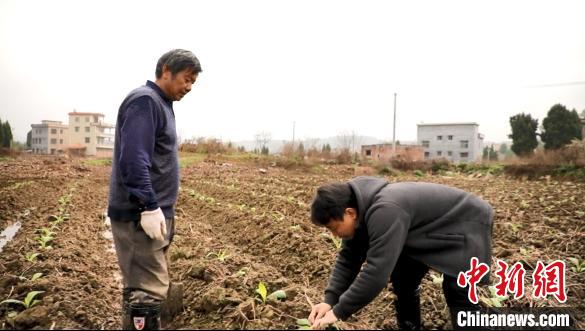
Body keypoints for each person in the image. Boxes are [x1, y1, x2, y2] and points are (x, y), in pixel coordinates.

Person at [308, 176, 493, 330]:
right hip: (423, 231)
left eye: (333, 228)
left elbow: (376, 272)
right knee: (403, 281)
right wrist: (329, 301)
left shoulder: (385, 210)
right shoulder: (359, 209)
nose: (334, 234)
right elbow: (349, 259)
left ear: (349, 213)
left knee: (457, 290)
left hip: (467, 223)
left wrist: (339, 312)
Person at [107, 49, 201, 330]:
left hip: (155, 212)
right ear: (166, 71)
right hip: (139, 215)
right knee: (148, 292)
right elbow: (134, 159)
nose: (189, 87)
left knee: (142, 288)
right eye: (186, 79)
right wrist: (148, 206)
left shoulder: (160, 104)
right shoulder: (145, 101)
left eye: (193, 82)